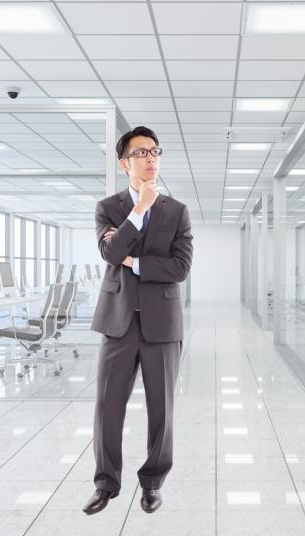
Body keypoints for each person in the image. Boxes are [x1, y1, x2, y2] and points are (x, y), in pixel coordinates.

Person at [83, 126, 193, 515]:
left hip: (162, 326)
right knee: (107, 407)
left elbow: (180, 267)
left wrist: (134, 260)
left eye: (155, 152)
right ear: (124, 163)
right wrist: (140, 209)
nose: (151, 159)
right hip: (117, 323)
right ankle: (106, 484)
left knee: (161, 410)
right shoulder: (107, 208)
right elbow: (110, 254)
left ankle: (152, 483)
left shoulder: (177, 211)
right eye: (142, 153)